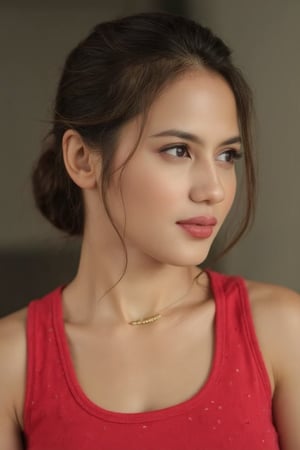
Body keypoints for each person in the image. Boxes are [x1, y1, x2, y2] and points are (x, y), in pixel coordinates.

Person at [0, 11, 299, 450]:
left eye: (227, 155)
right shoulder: (12, 362)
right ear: (83, 159)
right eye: (179, 150)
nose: (214, 189)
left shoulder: (281, 329)